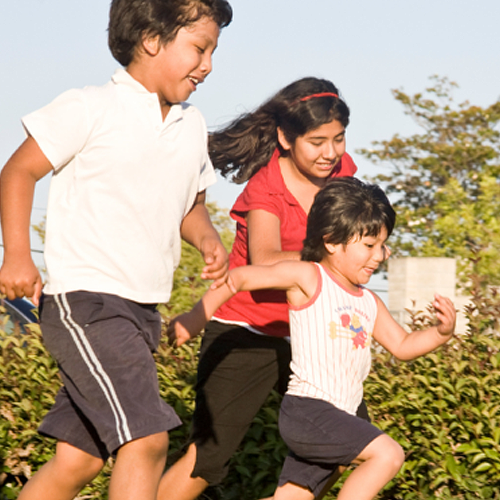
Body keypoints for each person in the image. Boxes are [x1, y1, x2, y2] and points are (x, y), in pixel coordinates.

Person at [0, 1, 232, 499]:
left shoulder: (191, 126)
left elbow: (190, 206)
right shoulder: (90, 106)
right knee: (146, 441)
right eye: (199, 48)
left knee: (78, 459)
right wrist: (16, 254)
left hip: (141, 311)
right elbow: (18, 171)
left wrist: (207, 235)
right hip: (87, 304)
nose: (208, 64)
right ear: (151, 39)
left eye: (214, 50)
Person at [168, 177, 456, 500]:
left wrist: (440, 332)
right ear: (332, 242)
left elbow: (403, 346)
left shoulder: (369, 301)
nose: (380, 256)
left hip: (338, 418)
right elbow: (239, 277)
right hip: (309, 413)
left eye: (383, 245)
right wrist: (196, 317)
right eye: (369, 246)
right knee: (387, 454)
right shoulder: (309, 277)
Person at [158, 77, 364, 500]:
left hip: (309, 337)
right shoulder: (264, 188)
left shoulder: (342, 174)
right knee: (207, 459)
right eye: (317, 142)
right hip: (247, 331)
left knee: (348, 445)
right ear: (286, 138)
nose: (331, 153)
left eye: (339, 139)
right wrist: (329, 257)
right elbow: (264, 261)